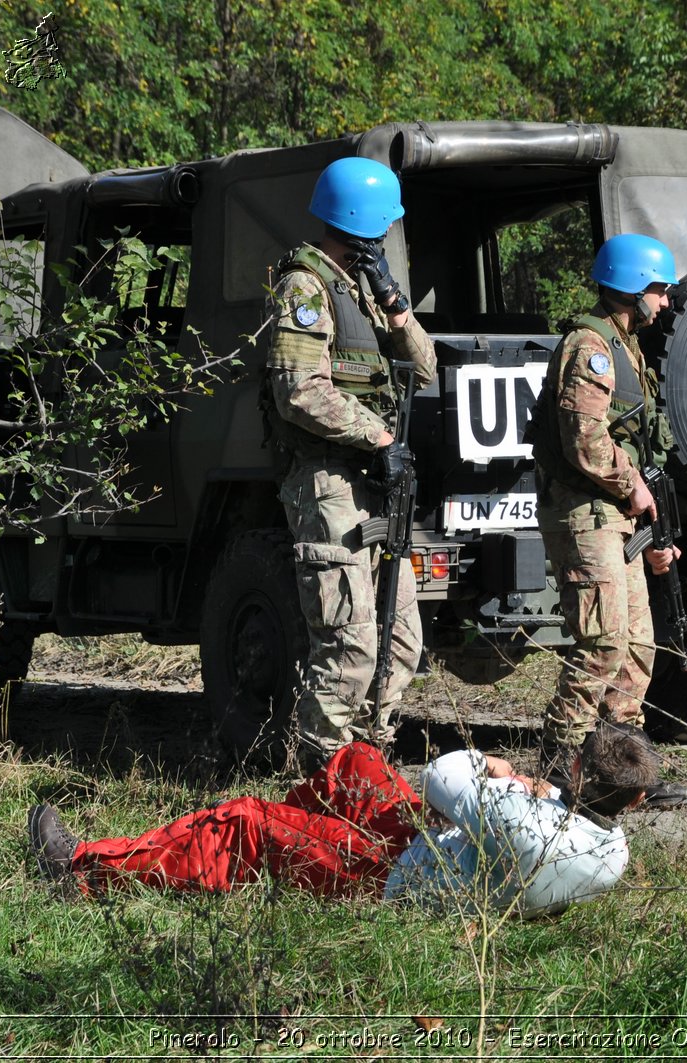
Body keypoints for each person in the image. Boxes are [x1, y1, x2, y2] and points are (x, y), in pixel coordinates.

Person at [26, 721, 662, 919]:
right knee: (356, 760)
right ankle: (272, 863)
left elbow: (444, 777)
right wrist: (546, 792)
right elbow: (564, 822)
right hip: (443, 856)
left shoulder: (517, 815)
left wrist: (499, 766)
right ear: (631, 802)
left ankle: (84, 870)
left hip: (392, 878)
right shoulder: (612, 854)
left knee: (244, 820)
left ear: (577, 767)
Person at [261, 157, 438, 768]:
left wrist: (393, 304)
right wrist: (380, 438)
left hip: (375, 483)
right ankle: (318, 784)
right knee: (350, 645)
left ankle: (366, 768)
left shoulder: (363, 287)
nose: (389, 232)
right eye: (385, 222)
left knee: (401, 640)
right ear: (364, 220)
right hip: (329, 480)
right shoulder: (305, 287)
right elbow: (300, 390)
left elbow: (426, 366)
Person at [530, 233, 687, 805]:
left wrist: (653, 527)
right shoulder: (591, 346)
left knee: (636, 647)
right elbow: (586, 442)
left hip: (617, 517)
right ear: (631, 286)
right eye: (660, 290)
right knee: (600, 643)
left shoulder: (626, 348)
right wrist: (635, 489)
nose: (666, 301)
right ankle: (557, 767)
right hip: (587, 512)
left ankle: (623, 773)